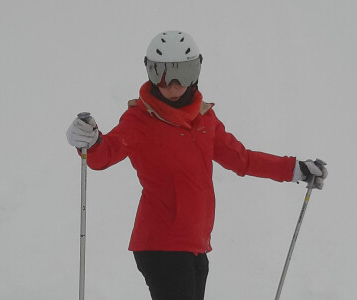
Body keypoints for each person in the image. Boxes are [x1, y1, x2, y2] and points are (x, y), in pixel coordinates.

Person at [66, 30, 328, 300]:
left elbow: (242, 159)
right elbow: (105, 154)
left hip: (195, 245)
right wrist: (90, 141)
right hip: (160, 244)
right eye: (162, 74)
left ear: (197, 71)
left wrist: (294, 169)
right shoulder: (139, 121)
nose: (173, 85)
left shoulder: (205, 120)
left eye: (184, 72)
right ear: (150, 73)